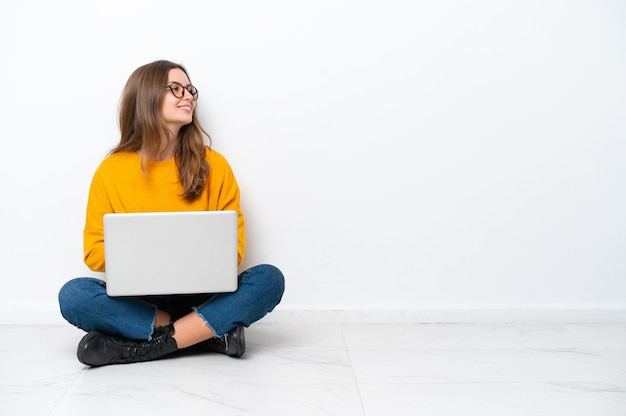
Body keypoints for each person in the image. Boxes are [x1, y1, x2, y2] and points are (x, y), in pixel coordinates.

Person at [58, 60, 285, 367]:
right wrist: (150, 256)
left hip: (204, 295)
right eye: (175, 89)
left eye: (190, 89)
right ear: (147, 97)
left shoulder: (215, 165)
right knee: (73, 295)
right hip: (141, 301)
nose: (188, 96)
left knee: (269, 279)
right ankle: (204, 331)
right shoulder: (110, 171)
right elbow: (94, 253)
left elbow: (233, 253)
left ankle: (146, 346)